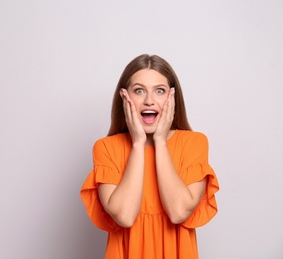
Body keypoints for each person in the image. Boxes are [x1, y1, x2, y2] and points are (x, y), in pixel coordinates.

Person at [80, 54, 219, 259]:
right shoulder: (106, 148)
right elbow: (125, 216)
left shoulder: (194, 143)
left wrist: (160, 142)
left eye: (159, 91)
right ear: (125, 97)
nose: (149, 101)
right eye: (139, 91)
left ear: (172, 98)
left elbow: (178, 212)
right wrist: (137, 143)